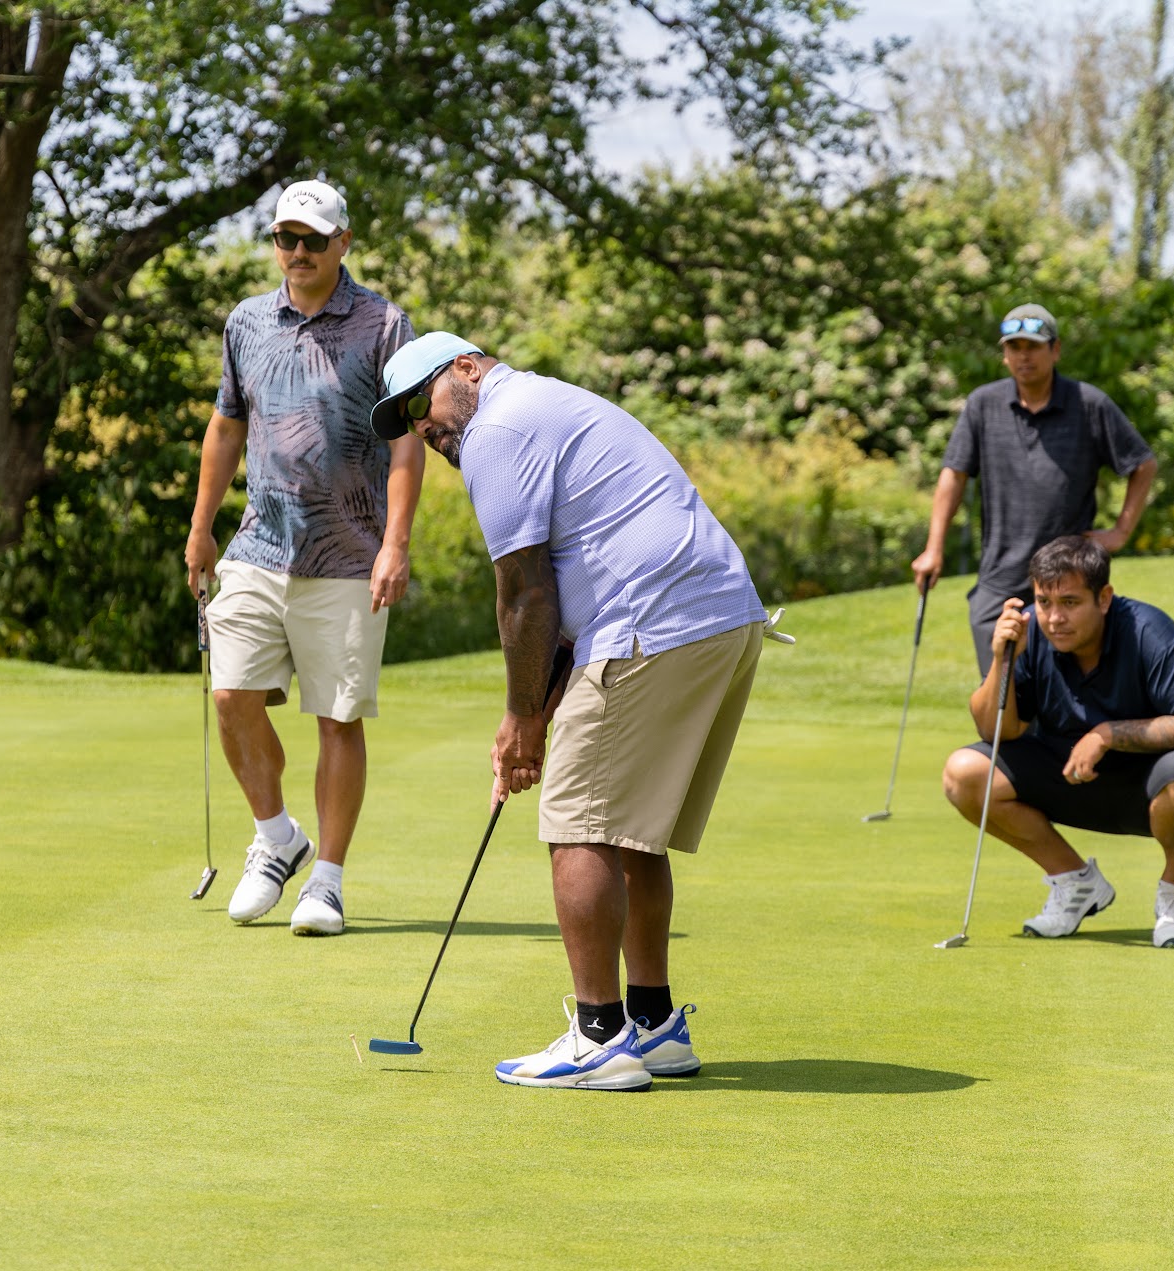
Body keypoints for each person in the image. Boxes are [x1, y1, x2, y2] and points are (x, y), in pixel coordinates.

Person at [369, 332, 772, 1092]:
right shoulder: (543, 405)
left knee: (579, 824)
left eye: (422, 402)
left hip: (651, 621)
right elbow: (556, 614)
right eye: (408, 422)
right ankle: (653, 1026)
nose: (423, 427)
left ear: (467, 367)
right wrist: (529, 719)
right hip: (717, 615)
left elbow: (523, 592)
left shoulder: (496, 428)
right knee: (629, 830)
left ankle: (599, 1038)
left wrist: (524, 720)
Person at [183, 179, 423, 935]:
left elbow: (406, 444)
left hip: (350, 553)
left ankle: (327, 882)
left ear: (342, 242)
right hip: (258, 544)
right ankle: (278, 838)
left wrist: (395, 544)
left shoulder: (384, 324)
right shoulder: (247, 321)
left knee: (336, 718)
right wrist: (200, 527)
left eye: (313, 240)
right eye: (286, 238)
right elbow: (226, 427)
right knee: (231, 696)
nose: (298, 252)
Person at [941, 535, 1174, 948]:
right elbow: (996, 732)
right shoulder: (1029, 631)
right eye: (1044, 602)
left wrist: (1107, 734)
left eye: (1070, 602)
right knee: (964, 773)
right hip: (1069, 777)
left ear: (1104, 598)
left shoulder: (1148, 630)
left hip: (1150, 783)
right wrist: (1003, 659)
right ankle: (1075, 881)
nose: (1054, 618)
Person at [914, 303, 1159, 676]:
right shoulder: (983, 404)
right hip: (1000, 580)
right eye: (1014, 347)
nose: (1023, 356)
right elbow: (954, 474)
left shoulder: (1089, 404)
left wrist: (1121, 531)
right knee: (1001, 694)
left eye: (1033, 346)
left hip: (1069, 584)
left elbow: (1142, 464)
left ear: (1055, 350)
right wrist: (934, 548)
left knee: (1069, 696)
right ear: (1004, 354)